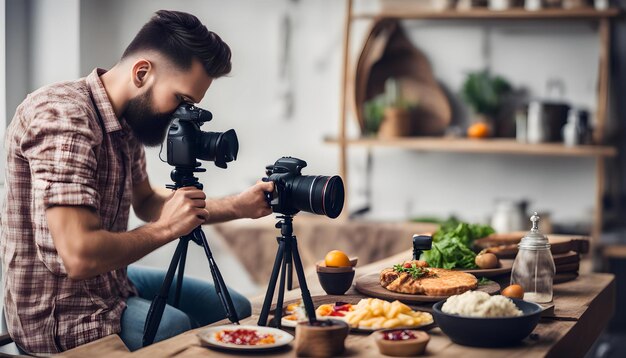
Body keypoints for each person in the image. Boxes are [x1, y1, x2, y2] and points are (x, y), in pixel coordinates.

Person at [0, 10, 273, 354]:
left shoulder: (124, 122)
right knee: (175, 327)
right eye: (180, 100)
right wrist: (167, 229)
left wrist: (239, 206)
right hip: (59, 310)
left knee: (234, 307)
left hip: (112, 281)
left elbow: (145, 203)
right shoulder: (64, 118)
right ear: (142, 73)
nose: (180, 116)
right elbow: (79, 256)